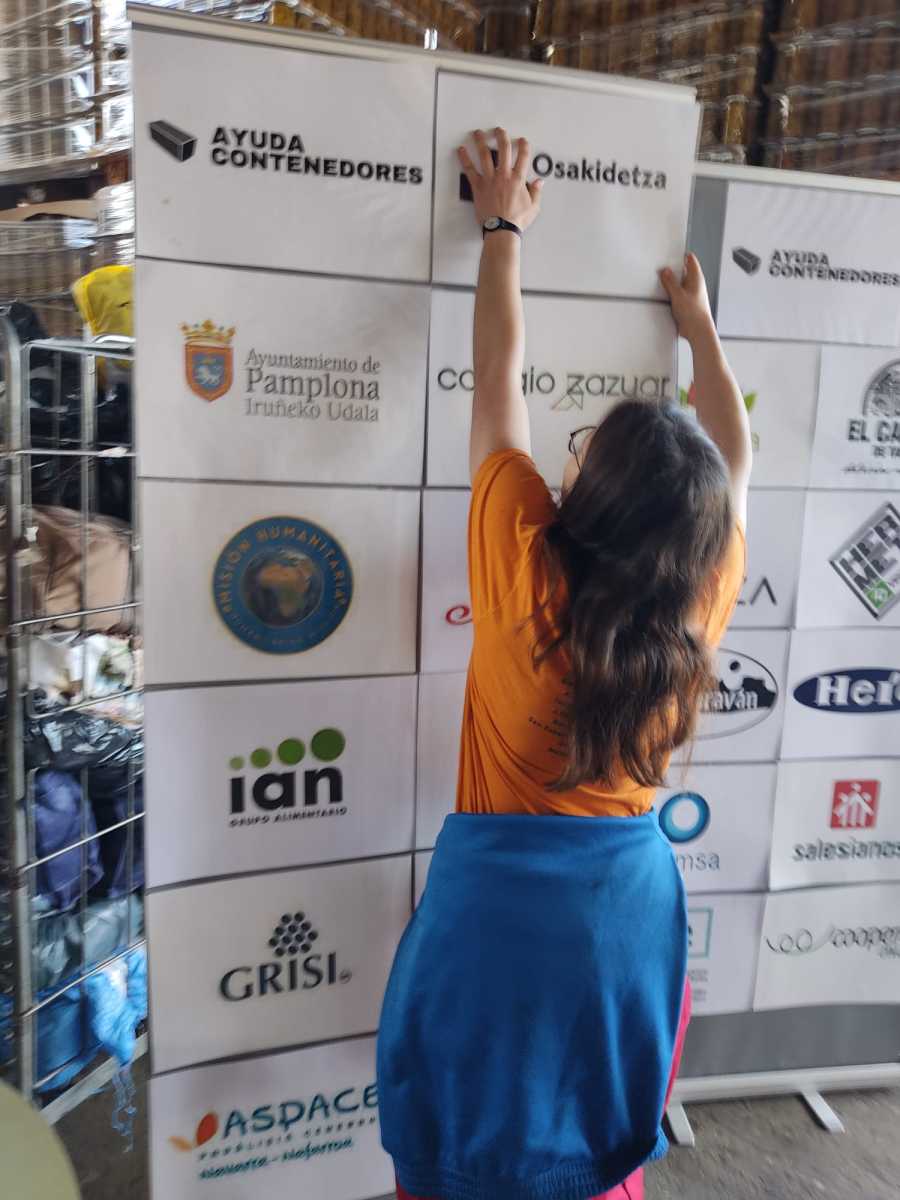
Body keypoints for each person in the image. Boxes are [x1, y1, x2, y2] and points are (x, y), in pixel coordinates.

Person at [377, 128, 751, 1200]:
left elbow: (497, 376)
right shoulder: (701, 596)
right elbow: (735, 451)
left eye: (585, 449)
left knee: (464, 1152)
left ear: (590, 492)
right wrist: (701, 333)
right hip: (625, 916)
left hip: (498, 920)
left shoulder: (525, 574)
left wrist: (502, 228)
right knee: (593, 1157)